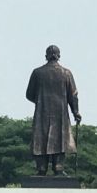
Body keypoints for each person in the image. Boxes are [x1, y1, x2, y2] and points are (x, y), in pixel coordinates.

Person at [25, 44, 81, 176]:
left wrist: (40, 101)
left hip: (41, 112)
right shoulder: (66, 73)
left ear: (46, 56)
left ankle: (42, 167)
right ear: (59, 56)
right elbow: (73, 95)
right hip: (60, 112)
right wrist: (76, 112)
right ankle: (58, 166)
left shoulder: (37, 72)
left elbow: (29, 94)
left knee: (41, 138)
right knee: (60, 138)